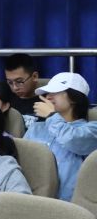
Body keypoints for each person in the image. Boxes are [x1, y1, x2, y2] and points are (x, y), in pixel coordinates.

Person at [25, 72, 97, 201]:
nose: (48, 96)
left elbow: (72, 140)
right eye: (47, 93)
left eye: (55, 92)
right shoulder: (36, 128)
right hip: (31, 199)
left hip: (67, 204)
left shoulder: (91, 129)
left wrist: (51, 116)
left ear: (74, 98)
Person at [4, 53, 42, 130]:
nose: (15, 88)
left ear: (35, 76)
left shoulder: (48, 99)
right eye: (10, 82)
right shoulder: (5, 98)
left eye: (19, 81)